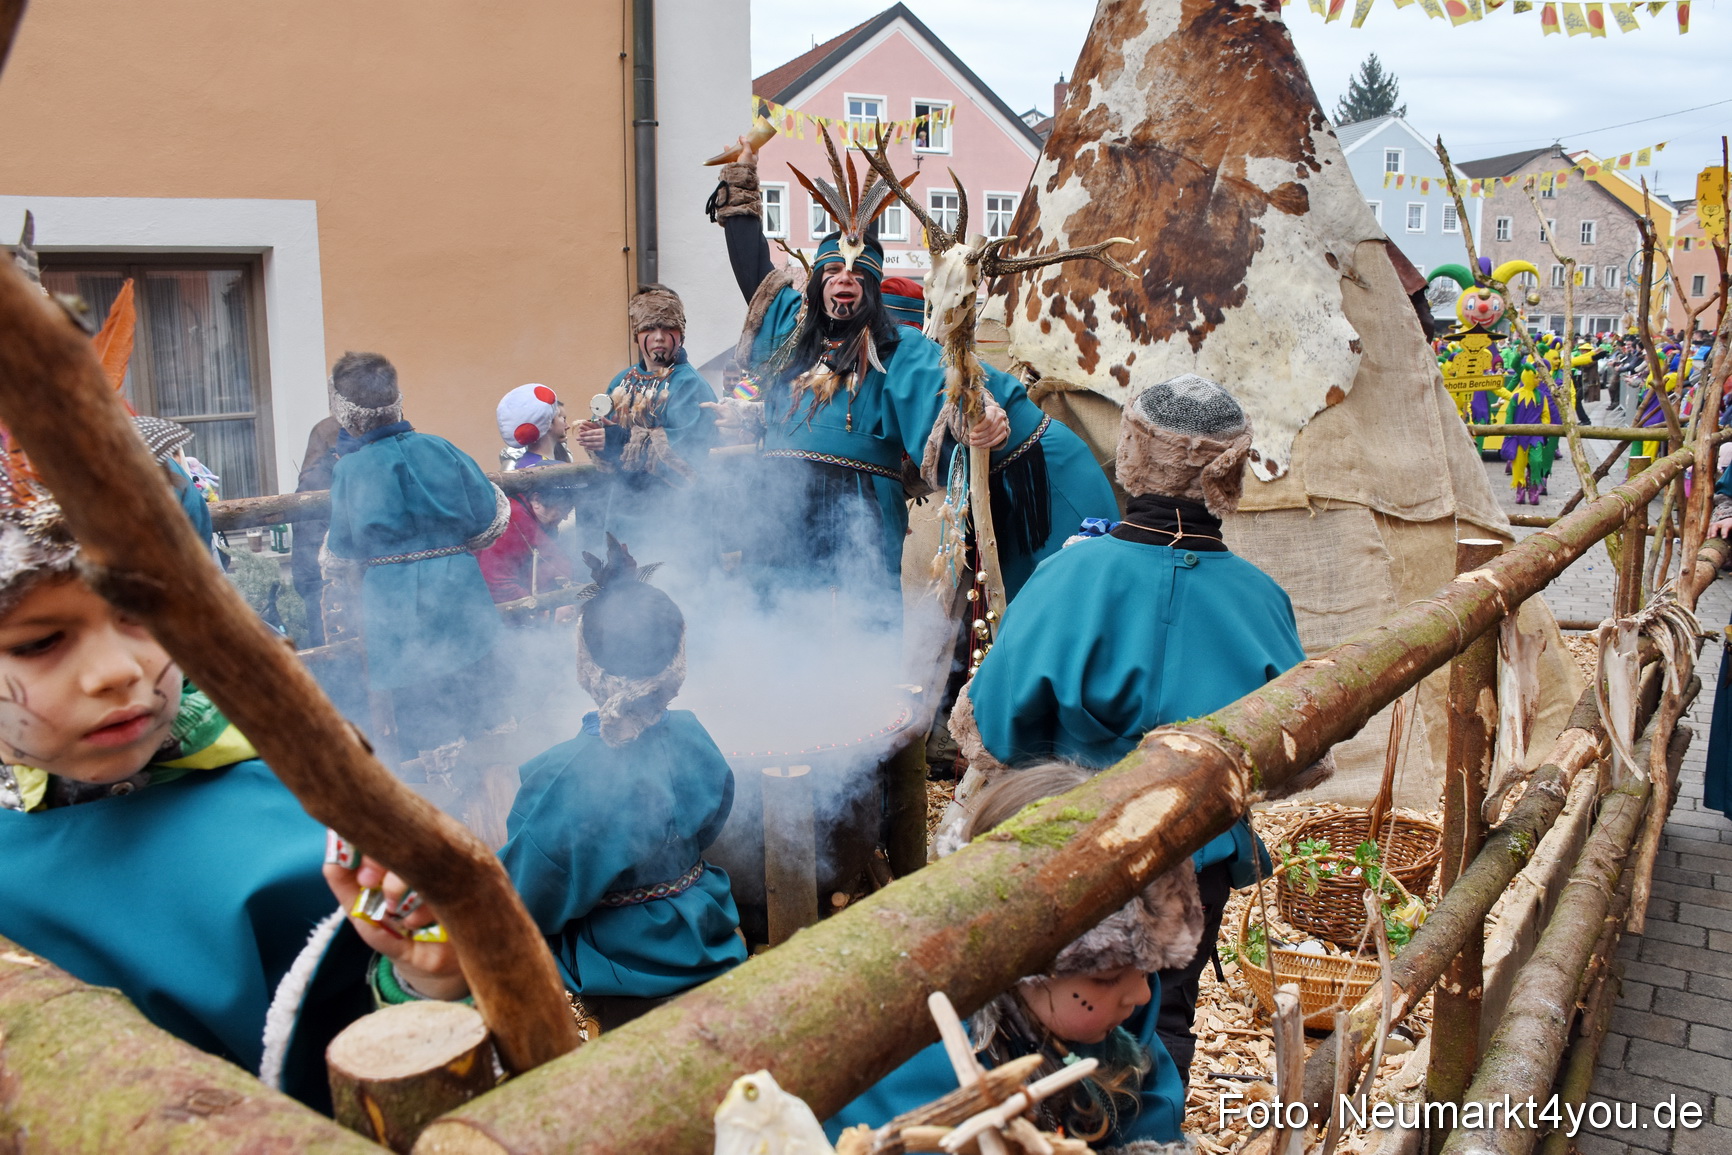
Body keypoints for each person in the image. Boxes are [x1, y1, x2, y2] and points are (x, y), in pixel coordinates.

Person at [0, 431, 466, 1113]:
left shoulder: (303, 809)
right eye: (41, 640)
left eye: (142, 610)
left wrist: (424, 978)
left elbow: (376, 1076)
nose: (117, 670)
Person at [948, 375, 1327, 1087]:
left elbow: (988, 728)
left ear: (1132, 457)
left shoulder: (1069, 576)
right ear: (1230, 473)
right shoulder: (1260, 597)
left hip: (1067, 839)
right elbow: (1299, 759)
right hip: (1194, 853)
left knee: (1043, 1018)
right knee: (1165, 1017)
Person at [707, 138, 1013, 616]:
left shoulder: (900, 348)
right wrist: (744, 174)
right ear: (818, 282)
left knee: (860, 621)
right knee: (776, 619)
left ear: (870, 286)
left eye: (855, 274)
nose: (843, 279)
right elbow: (753, 267)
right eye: (832, 270)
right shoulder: (791, 327)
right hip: (781, 499)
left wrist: (984, 416)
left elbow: (949, 392)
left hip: (864, 504)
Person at [825, 763, 1200, 1153]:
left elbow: (1153, 1104)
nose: (1140, 994)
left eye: (1147, 969)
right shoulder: (923, 1064)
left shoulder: (1112, 1011)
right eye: (1107, 978)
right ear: (1016, 964)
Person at [498, 536, 746, 1029]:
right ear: (675, 660)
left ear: (586, 664)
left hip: (624, 967)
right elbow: (713, 817)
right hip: (707, 927)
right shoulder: (695, 736)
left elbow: (528, 895)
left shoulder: (562, 776)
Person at [872, 277, 1120, 600]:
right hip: (1002, 495)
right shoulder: (871, 369)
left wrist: (988, 418)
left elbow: (965, 414)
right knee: (1019, 616)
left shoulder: (902, 347)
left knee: (1080, 600)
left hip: (1043, 480)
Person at [322, 352, 509, 758]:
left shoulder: (349, 471)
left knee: (422, 724)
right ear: (396, 399)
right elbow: (490, 521)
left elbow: (340, 554)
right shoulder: (442, 448)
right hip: (461, 593)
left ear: (346, 413)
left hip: (393, 608)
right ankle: (494, 798)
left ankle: (439, 804)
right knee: (481, 711)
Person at [574, 285, 718, 553]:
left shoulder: (689, 383)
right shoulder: (622, 381)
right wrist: (594, 435)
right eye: (649, 329)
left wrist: (617, 438)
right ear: (637, 335)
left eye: (668, 329)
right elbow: (608, 439)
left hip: (675, 513)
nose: (659, 337)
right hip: (625, 510)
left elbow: (681, 450)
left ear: (681, 335)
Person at [475, 470, 579, 605]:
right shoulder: (513, 520)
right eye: (562, 508)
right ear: (536, 500)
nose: (565, 517)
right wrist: (545, 612)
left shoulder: (531, 518)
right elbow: (498, 583)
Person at [497, 381, 572, 471]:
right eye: (560, 416)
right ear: (548, 423)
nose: (566, 424)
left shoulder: (522, 463)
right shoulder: (554, 469)